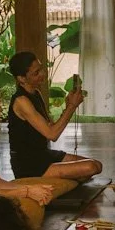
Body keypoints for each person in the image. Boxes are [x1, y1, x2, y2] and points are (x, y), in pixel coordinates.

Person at [6, 51, 103, 183]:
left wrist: (68, 106)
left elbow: (50, 126)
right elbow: (52, 135)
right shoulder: (21, 101)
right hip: (28, 164)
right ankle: (45, 180)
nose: (42, 74)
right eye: (36, 73)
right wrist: (72, 107)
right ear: (21, 79)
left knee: (97, 165)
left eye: (41, 69)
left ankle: (57, 180)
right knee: (90, 167)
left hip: (43, 155)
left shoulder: (36, 93)